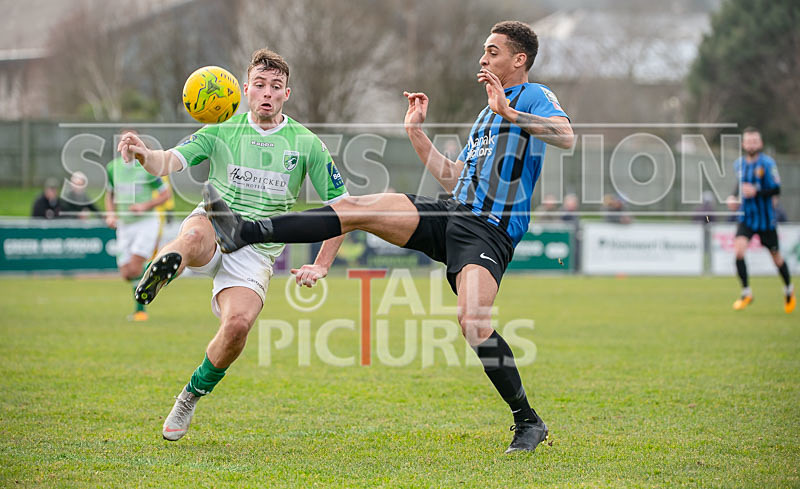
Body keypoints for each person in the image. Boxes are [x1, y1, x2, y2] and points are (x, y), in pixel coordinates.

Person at [206, 21, 573, 454]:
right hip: (452, 212)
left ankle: (527, 421)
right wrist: (416, 133)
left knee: (473, 322)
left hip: (490, 230)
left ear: (519, 60)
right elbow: (455, 178)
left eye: (492, 52)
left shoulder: (531, 96)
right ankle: (244, 232)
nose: (483, 58)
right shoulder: (484, 114)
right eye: (484, 51)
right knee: (355, 209)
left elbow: (566, 137)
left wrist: (511, 113)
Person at [117, 49, 348, 441]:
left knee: (238, 326)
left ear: (286, 94)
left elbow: (343, 209)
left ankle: (190, 395)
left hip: (257, 248)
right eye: (259, 85)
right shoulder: (221, 129)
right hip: (215, 219)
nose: (267, 93)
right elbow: (166, 161)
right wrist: (143, 154)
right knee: (192, 236)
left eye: (275, 87)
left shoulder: (306, 144)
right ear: (245, 90)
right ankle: (165, 266)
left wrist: (322, 264)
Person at [105, 132, 173, 321]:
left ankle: (140, 310)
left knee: (135, 268)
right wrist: (111, 214)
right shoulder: (113, 168)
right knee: (127, 273)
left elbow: (165, 194)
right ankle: (157, 271)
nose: (127, 145)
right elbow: (109, 194)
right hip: (124, 225)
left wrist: (144, 206)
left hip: (146, 223)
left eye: (130, 141)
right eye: (123, 141)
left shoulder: (147, 168)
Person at [728, 127, 794, 313]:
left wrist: (757, 192)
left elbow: (776, 190)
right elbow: (739, 185)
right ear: (743, 144)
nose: (751, 144)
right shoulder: (739, 164)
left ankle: (789, 289)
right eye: (748, 141)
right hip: (747, 218)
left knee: (776, 258)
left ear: (761, 143)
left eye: (755, 141)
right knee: (739, 252)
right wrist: (733, 197)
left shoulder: (768, 164)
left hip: (766, 220)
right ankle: (746, 292)